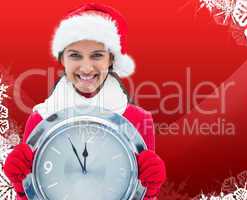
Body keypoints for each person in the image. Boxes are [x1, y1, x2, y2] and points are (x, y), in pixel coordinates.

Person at [3, 3, 166, 200]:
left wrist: (150, 191)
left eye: (97, 55)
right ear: (62, 59)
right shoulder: (39, 120)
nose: (86, 67)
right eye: (75, 55)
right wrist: (22, 187)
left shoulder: (139, 120)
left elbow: (139, 193)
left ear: (111, 59)